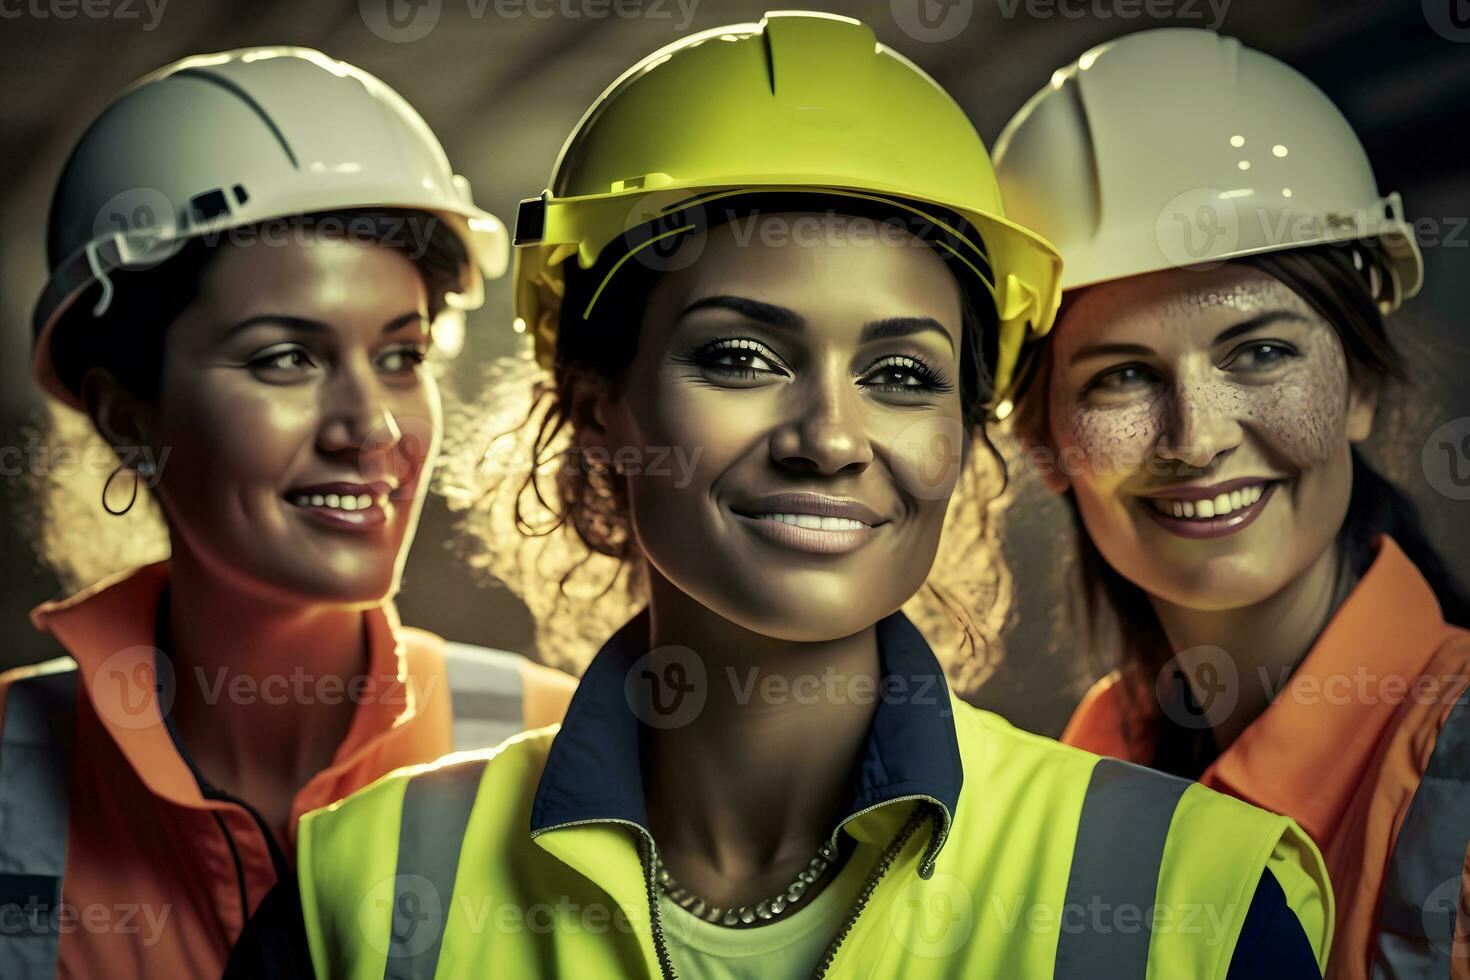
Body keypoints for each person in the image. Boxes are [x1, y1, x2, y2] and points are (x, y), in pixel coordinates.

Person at [237, 13, 1332, 978]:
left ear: (963, 434)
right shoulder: (362, 901)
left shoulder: (1193, 906)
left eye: (901, 375)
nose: (830, 437)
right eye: (742, 357)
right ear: (599, 399)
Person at [3, 47, 573, 979]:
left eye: (401, 355)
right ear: (123, 412)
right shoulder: (8, 769)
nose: (372, 426)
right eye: (285, 360)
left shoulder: (561, 757)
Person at [994, 28, 1470, 978]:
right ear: (1045, 443)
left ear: (1360, 389)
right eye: (1122, 376)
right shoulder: (1092, 766)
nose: (1198, 436)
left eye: (1260, 352)